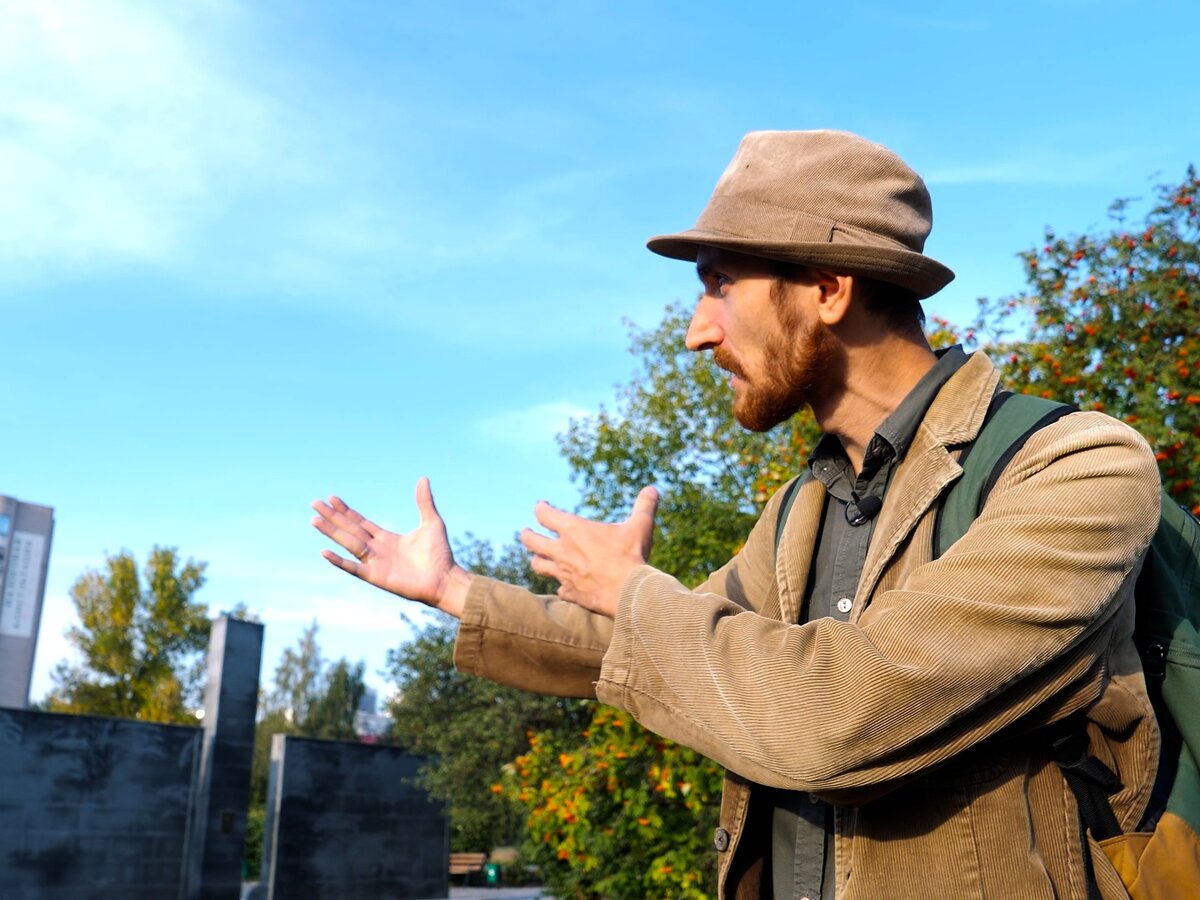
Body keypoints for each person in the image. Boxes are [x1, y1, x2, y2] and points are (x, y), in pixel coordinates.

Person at [312, 130, 1161, 900]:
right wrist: (454, 590)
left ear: (828, 288)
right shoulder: (801, 509)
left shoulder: (1077, 468)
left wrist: (634, 590)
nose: (695, 332)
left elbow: (842, 716)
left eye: (719, 284)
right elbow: (656, 646)